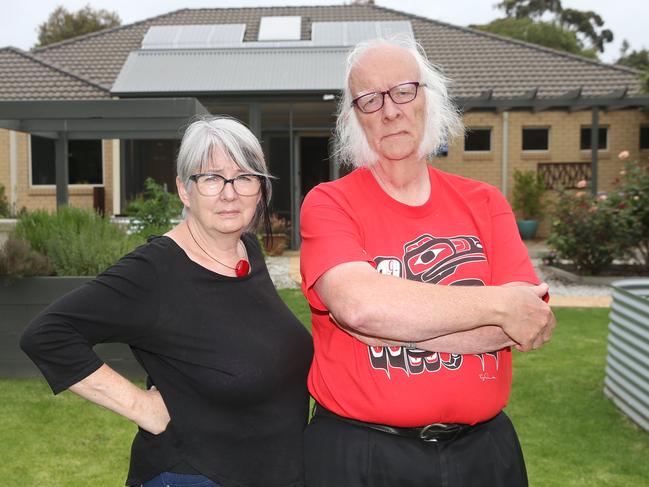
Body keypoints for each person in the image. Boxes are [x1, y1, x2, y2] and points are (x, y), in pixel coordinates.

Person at [299, 38, 556, 487]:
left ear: (427, 99)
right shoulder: (329, 203)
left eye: (404, 90)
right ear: (351, 118)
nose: (390, 110)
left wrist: (390, 320)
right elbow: (359, 307)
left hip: (483, 456)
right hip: (360, 456)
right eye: (369, 98)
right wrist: (497, 305)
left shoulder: (486, 202)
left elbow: (528, 320)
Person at [20, 117, 313, 487]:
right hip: (195, 475)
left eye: (244, 177)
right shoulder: (153, 272)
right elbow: (47, 335)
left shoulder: (245, 250)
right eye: (211, 178)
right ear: (184, 189)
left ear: (261, 187)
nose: (229, 193)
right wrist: (142, 407)